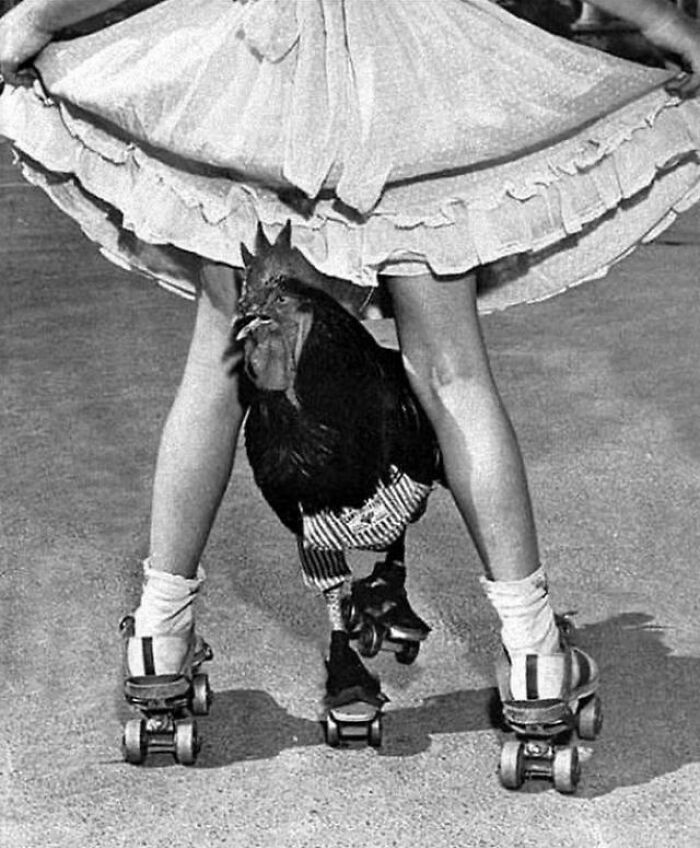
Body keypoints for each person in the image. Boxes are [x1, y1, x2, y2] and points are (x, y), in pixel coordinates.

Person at [2, 0, 700, 759]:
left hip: (260, 79)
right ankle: (534, 654)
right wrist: (664, 25)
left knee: (223, 362)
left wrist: (36, 19)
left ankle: (160, 642)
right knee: (451, 370)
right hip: (408, 75)